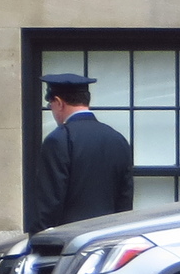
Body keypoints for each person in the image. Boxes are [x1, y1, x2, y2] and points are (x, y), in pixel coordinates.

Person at [32, 70, 136, 231]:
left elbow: (49, 204)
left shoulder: (58, 140)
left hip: (69, 244)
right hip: (108, 241)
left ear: (59, 102)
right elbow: (125, 200)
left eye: (50, 104)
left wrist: (39, 242)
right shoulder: (118, 139)